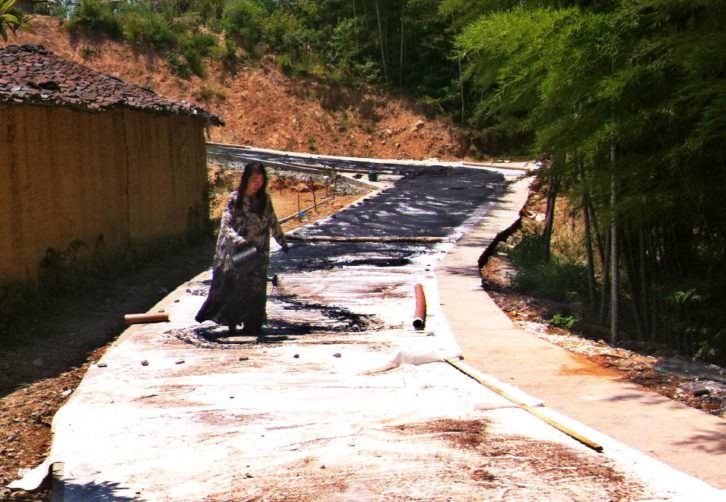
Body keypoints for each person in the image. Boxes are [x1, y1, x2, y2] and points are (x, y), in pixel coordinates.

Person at [195, 162, 288, 335]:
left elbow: (272, 221)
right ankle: (233, 322)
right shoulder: (235, 199)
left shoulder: (264, 200)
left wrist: (282, 240)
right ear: (246, 179)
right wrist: (238, 240)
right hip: (240, 252)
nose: (257, 183)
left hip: (259, 253)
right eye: (253, 179)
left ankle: (253, 324)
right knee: (237, 286)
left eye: (260, 179)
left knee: (257, 288)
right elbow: (226, 225)